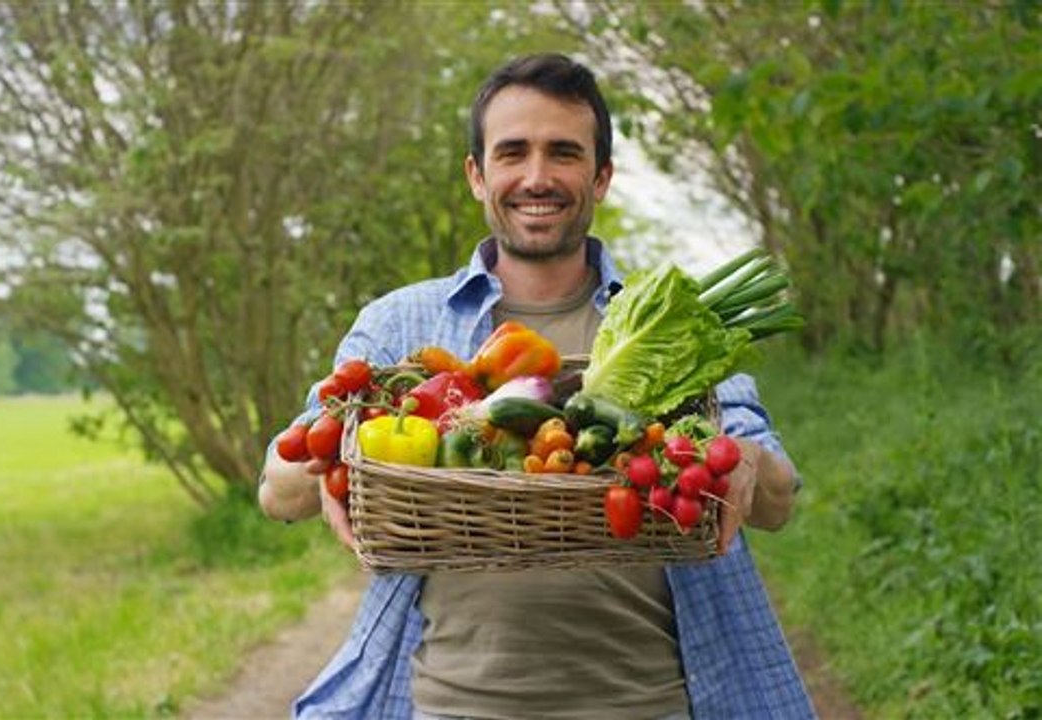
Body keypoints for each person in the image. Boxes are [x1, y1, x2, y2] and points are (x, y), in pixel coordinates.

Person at [259, 53, 813, 720]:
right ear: (476, 175)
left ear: (601, 176)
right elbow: (277, 490)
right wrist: (337, 462)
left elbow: (776, 501)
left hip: (653, 704)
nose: (536, 177)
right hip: (447, 705)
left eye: (563, 153)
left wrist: (747, 461)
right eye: (512, 152)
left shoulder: (671, 321)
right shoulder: (399, 323)